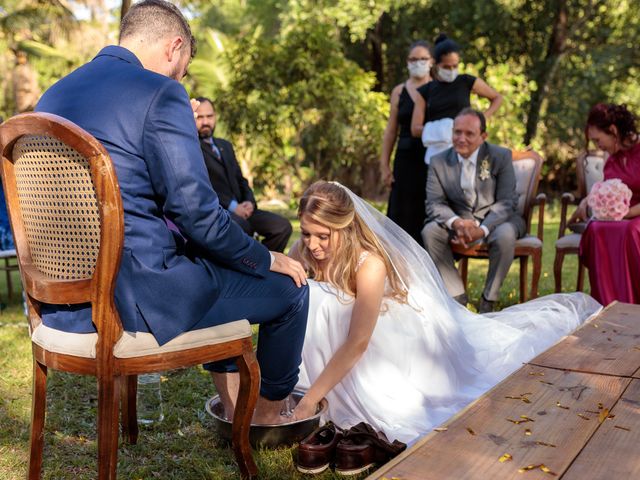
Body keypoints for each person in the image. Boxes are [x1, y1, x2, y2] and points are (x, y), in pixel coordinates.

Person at [35, 0, 309, 425]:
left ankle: (237, 409)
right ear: (174, 46)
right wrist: (266, 256)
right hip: (134, 302)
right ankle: (268, 419)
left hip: (61, 307)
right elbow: (196, 213)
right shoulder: (160, 92)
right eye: (184, 65)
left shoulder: (53, 94)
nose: (182, 76)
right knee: (291, 291)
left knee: (211, 265)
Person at [289, 180, 599, 446]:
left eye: (323, 236)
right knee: (310, 294)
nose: (313, 245)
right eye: (306, 234)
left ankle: (319, 390)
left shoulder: (369, 264)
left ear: (346, 226)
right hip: (347, 336)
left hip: (389, 341)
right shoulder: (305, 249)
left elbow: (358, 342)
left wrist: (309, 401)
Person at [421, 108, 524, 313]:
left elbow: (506, 202)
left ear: (483, 136)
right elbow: (434, 203)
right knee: (430, 231)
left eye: (469, 134)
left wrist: (482, 228)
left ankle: (489, 300)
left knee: (505, 234)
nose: (461, 138)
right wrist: (457, 222)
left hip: (497, 221)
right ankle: (457, 297)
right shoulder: (438, 162)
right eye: (457, 132)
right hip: (460, 220)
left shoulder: (500, 156)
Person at [194, 97, 292, 252]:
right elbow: (202, 187)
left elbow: (241, 179)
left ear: (215, 117)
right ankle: (253, 267)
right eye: (200, 117)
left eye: (209, 116)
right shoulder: (191, 148)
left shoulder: (224, 145)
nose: (206, 121)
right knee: (242, 227)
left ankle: (266, 268)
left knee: (282, 227)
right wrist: (233, 207)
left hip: (244, 208)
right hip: (219, 211)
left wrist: (250, 203)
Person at [574, 103, 640, 305]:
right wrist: (588, 200)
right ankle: (605, 304)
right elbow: (606, 187)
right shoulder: (611, 160)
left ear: (612, 131)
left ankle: (633, 301)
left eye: (598, 139)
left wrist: (627, 213)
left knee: (630, 230)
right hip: (620, 216)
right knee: (595, 228)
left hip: (635, 216)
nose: (597, 146)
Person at [411, 34, 502, 165]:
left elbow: (497, 98)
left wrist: (479, 120)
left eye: (455, 66)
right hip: (438, 157)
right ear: (436, 64)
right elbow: (415, 129)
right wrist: (445, 129)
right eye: (447, 67)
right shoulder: (426, 90)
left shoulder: (466, 81)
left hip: (467, 151)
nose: (452, 70)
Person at [379, 40, 432, 244]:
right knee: (400, 214)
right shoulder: (399, 91)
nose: (418, 63)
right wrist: (384, 165)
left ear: (431, 61)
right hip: (404, 159)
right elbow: (391, 130)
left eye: (423, 59)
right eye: (413, 59)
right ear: (407, 62)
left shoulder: (437, 88)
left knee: (424, 213)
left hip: (429, 159)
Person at [11, 49, 41, 114]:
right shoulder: (16, 70)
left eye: (22, 57)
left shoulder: (30, 69)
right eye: (19, 57)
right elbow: (14, 86)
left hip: (28, 95)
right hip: (20, 96)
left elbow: (34, 84)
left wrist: (34, 96)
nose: (20, 59)